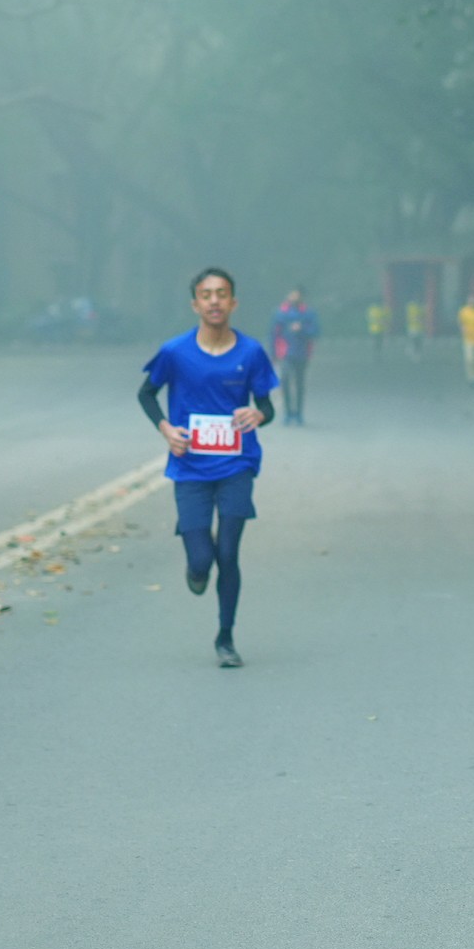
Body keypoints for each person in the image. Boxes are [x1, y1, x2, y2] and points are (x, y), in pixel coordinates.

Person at [139, 267, 278, 669]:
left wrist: (258, 415)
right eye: (206, 294)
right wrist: (166, 429)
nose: (214, 301)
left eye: (221, 294)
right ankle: (196, 568)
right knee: (202, 561)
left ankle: (225, 637)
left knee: (229, 553)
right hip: (190, 467)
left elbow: (266, 406)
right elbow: (146, 394)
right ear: (195, 304)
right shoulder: (175, 352)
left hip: (237, 464)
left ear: (233, 302)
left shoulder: (250, 353)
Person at [270, 288, 319, 424]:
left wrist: (301, 329)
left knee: (299, 383)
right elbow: (274, 334)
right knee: (285, 381)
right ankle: (287, 413)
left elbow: (315, 331)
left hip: (302, 353)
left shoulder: (308, 313)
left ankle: (298, 414)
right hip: (285, 353)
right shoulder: (281, 313)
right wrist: (273, 353)